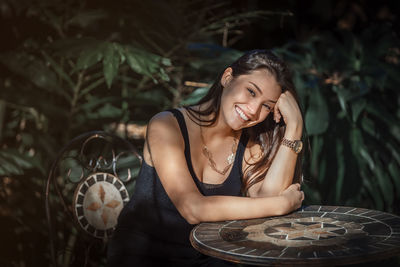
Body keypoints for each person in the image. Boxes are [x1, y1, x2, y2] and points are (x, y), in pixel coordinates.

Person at [107, 49, 305, 267]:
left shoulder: (249, 145)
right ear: (227, 77)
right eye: (251, 91)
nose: (253, 110)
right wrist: (281, 204)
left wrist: (294, 128)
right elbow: (193, 208)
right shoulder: (167, 125)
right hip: (143, 258)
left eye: (267, 105)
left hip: (206, 259)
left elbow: (267, 204)